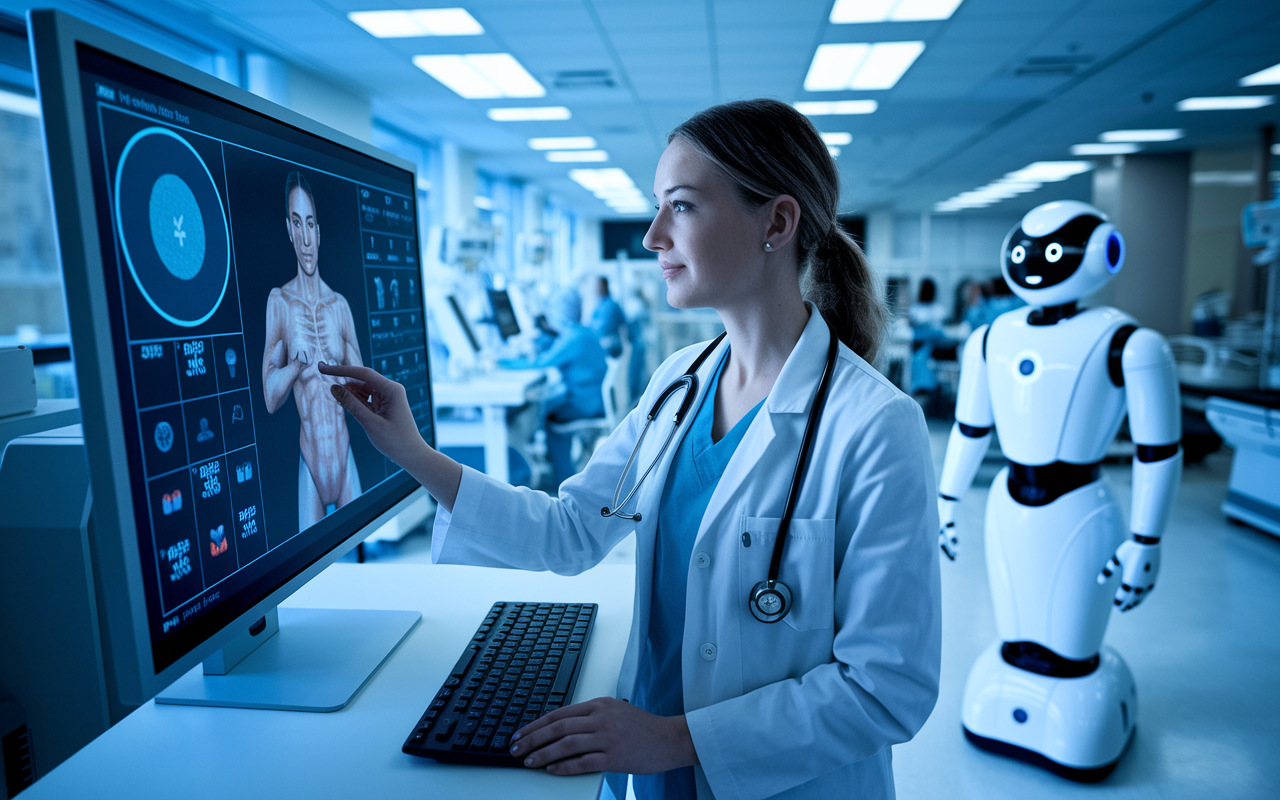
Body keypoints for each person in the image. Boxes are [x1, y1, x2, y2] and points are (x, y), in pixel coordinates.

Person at [319, 98, 940, 800]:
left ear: (777, 222)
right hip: (651, 774)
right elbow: (573, 530)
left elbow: (888, 689)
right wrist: (415, 453)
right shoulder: (679, 385)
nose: (651, 236)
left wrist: (673, 739)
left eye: (681, 207)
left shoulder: (874, 427)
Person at [262, 171, 363, 530]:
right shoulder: (280, 303)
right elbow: (270, 399)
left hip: (345, 456)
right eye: (296, 224)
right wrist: (293, 367)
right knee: (307, 575)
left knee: (364, 551)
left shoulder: (340, 306)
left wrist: (347, 377)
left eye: (310, 224)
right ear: (289, 230)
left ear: (318, 231)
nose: (305, 239)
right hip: (311, 462)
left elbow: (370, 393)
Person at [501, 287, 608, 490]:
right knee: (546, 405)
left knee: (548, 417)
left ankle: (563, 482)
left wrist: (503, 362)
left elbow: (541, 363)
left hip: (585, 405)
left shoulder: (573, 338)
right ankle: (550, 467)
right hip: (591, 398)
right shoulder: (582, 333)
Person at [589, 276, 627, 357]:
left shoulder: (612, 305)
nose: (596, 289)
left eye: (598, 286)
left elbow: (622, 325)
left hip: (612, 348)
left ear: (604, 286)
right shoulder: (598, 306)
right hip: (603, 347)